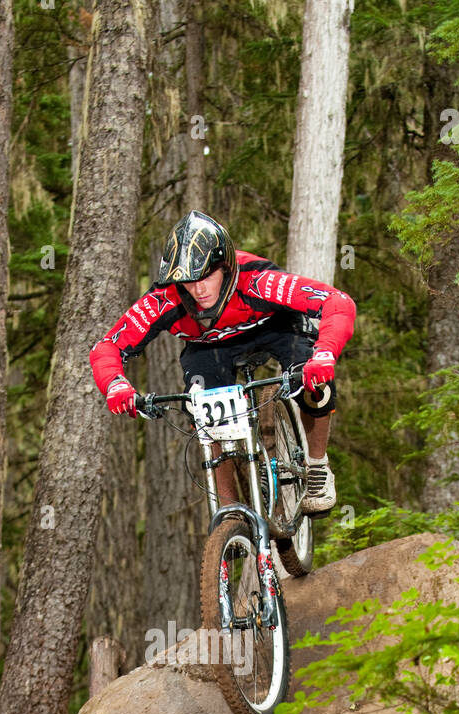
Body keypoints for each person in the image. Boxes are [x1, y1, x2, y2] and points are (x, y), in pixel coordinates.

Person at [89, 210, 356, 514]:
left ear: (226, 268)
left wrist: (324, 353)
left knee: (314, 383)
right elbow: (107, 346)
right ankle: (229, 514)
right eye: (189, 281)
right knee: (204, 409)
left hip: (274, 328)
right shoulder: (165, 299)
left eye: (206, 277)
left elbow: (337, 301)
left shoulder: (257, 280)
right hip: (208, 346)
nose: (198, 290)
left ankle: (317, 465)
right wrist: (116, 385)